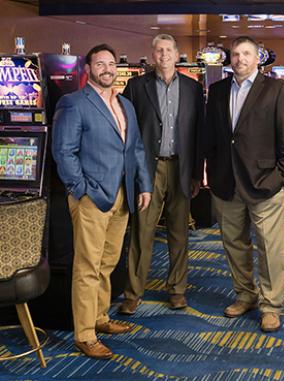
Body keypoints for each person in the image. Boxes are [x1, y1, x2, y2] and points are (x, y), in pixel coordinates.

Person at [52, 43, 152, 359]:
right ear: (89, 68)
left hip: (122, 194)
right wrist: (81, 189)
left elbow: (135, 149)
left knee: (108, 263)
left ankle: (100, 317)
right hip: (92, 197)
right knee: (87, 266)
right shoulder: (74, 103)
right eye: (100, 63)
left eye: (111, 63)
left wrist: (144, 185)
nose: (107, 68)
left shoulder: (125, 104)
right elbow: (63, 152)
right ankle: (84, 334)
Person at [203, 35, 284, 333]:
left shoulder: (276, 89)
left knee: (270, 248)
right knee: (234, 244)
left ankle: (270, 306)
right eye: (235, 54)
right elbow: (213, 137)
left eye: (246, 54)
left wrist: (283, 179)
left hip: (265, 183)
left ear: (258, 58)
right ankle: (244, 294)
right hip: (226, 182)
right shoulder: (217, 90)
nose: (240, 59)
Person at [118, 34, 205, 315]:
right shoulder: (135, 86)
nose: (164, 55)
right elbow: (128, 132)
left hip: (181, 167)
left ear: (177, 54)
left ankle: (177, 290)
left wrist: (196, 173)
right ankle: (133, 292)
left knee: (179, 233)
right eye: (159, 50)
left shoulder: (193, 88)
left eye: (169, 50)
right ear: (153, 55)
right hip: (148, 169)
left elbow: (197, 135)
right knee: (142, 232)